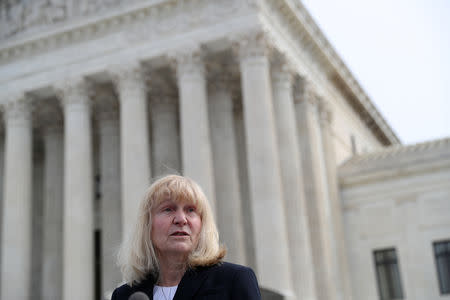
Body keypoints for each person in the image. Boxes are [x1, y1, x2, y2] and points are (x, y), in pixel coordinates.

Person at [112, 175, 261, 300]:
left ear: (202, 224)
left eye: (191, 210)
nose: (181, 219)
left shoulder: (234, 280)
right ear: (148, 225)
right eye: (168, 209)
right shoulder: (124, 295)